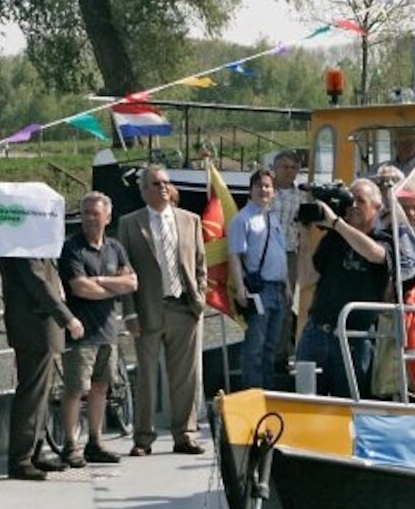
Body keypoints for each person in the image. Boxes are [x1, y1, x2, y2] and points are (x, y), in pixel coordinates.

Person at [118, 165, 209, 456]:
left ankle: (185, 434)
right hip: (147, 310)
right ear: (143, 190)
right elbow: (125, 271)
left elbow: (200, 265)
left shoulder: (190, 220)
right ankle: (143, 439)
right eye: (156, 184)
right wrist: (129, 313)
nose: (163, 188)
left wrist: (200, 299)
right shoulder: (130, 224)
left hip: (184, 308)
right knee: (146, 378)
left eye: (166, 183)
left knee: (185, 376)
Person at [57, 192, 137, 467]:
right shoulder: (72, 248)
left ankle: (95, 441)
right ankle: (70, 445)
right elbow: (79, 288)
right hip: (80, 334)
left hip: (107, 332)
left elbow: (132, 283)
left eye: (95, 213)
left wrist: (100, 281)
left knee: (101, 388)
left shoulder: (115, 248)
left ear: (108, 216)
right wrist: (112, 287)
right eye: (85, 213)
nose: (89, 218)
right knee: (75, 389)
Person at [297, 178, 391, 398]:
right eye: (350, 200)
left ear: (377, 208)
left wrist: (336, 222)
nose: (353, 206)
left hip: (355, 339)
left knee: (349, 406)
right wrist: (304, 236)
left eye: (361, 201)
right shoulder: (333, 239)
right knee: (305, 403)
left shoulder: (384, 239)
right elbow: (307, 279)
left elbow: (375, 255)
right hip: (317, 332)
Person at [0, 256, 85, 481]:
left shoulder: (36, 239)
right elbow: (37, 282)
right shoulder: (23, 243)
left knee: (43, 392)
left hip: (41, 326)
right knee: (32, 392)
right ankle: (21, 460)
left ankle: (35, 450)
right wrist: (67, 318)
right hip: (33, 325)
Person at [228, 169, 289, 390]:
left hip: (278, 289)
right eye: (260, 185)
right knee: (255, 344)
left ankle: (268, 390)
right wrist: (240, 287)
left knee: (270, 345)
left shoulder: (272, 218)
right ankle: (252, 391)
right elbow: (234, 255)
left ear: (273, 191)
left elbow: (280, 254)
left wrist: (288, 287)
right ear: (251, 189)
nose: (264, 190)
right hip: (259, 289)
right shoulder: (242, 219)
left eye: (268, 186)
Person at [269, 150, 303, 374]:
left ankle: (281, 355)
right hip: (268, 252)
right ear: (275, 169)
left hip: (291, 253)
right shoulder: (266, 192)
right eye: (284, 167)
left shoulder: (302, 195)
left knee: (288, 303)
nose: (289, 171)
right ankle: (267, 352)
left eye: (293, 167)